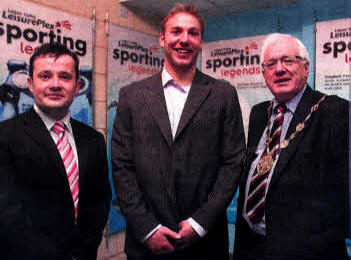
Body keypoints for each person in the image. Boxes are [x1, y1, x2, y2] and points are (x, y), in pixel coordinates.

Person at [111, 3, 245, 260]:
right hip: (146, 245)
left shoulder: (223, 94)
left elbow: (233, 163)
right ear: (162, 38)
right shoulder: (132, 96)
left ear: (201, 42)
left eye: (193, 33)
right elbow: (122, 166)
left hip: (205, 245)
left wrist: (199, 223)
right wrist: (148, 229)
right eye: (176, 31)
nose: (184, 39)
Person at [234, 33, 349, 259]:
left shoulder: (334, 111)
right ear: (263, 73)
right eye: (271, 64)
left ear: (306, 68)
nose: (279, 69)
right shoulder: (259, 113)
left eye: (288, 61)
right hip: (252, 248)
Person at [0, 43, 111, 260]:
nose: (55, 84)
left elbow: (99, 203)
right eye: (45, 76)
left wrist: (81, 252)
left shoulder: (94, 140)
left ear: (77, 85)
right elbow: (7, 214)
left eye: (65, 77)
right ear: (30, 84)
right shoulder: (5, 137)